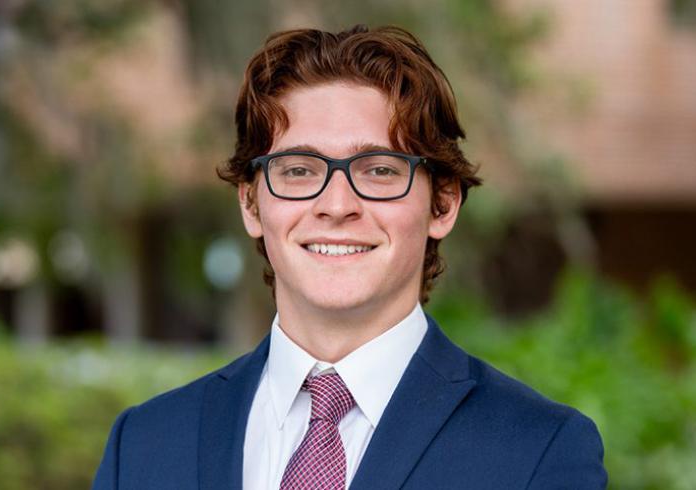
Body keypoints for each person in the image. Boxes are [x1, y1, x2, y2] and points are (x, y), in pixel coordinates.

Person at [92, 25, 606, 490]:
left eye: (379, 170)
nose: (337, 206)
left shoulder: (540, 453)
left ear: (443, 203)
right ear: (251, 203)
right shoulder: (143, 445)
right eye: (298, 170)